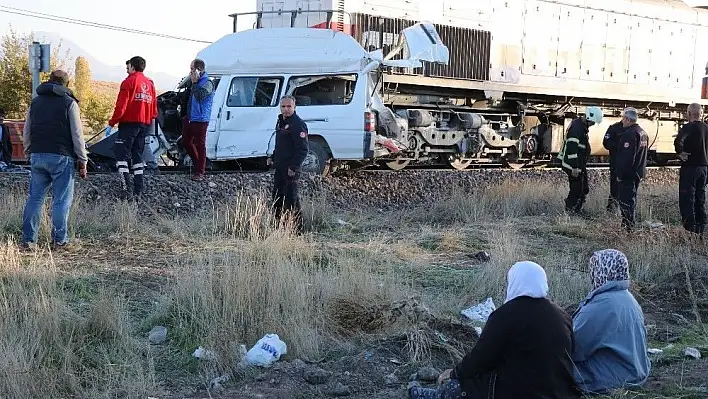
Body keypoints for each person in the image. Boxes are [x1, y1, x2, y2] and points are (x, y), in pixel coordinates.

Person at [408, 261, 581, 399]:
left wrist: (455, 373)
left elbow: (481, 357)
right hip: (562, 392)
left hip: (520, 392)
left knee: (458, 386)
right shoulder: (563, 315)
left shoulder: (505, 315)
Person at [20, 70, 88, 251]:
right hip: (61, 156)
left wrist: (29, 151)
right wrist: (83, 159)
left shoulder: (35, 103)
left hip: (37, 155)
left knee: (34, 199)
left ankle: (28, 240)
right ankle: (59, 240)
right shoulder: (69, 103)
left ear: (49, 81)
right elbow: (77, 134)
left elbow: (27, 131)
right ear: (65, 84)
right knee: (61, 200)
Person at [571, 249, 650, 395]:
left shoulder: (601, 305)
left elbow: (575, 349)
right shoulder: (628, 298)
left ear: (601, 271)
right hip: (635, 371)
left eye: (594, 269)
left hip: (613, 378)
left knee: (557, 369)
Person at [107, 56, 158, 201]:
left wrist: (112, 123)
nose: (126, 68)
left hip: (129, 123)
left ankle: (126, 188)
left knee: (121, 154)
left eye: (128, 66)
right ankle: (138, 189)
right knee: (137, 155)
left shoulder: (128, 82)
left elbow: (121, 106)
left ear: (133, 67)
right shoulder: (150, 84)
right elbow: (154, 110)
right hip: (144, 124)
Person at [266, 96, 309, 233]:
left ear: (294, 107)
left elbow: (303, 149)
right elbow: (280, 145)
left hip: (291, 169)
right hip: (280, 167)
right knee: (277, 198)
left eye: (289, 106)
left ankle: (297, 230)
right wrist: (273, 157)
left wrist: (293, 167)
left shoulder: (297, 124)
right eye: (283, 106)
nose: (286, 109)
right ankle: (279, 227)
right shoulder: (281, 122)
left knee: (292, 200)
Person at [558, 106, 603, 215]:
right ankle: (569, 212)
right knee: (576, 190)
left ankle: (577, 210)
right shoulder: (576, 129)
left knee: (584, 188)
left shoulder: (580, 126)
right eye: (593, 122)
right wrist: (574, 168)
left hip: (579, 164)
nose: (592, 125)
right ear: (588, 118)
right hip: (572, 165)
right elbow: (572, 150)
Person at [674, 103, 708, 238]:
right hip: (705, 168)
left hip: (691, 168)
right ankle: (701, 228)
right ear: (701, 113)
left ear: (689, 113)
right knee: (700, 198)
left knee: (687, 199)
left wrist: (680, 153)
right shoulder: (707, 128)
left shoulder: (688, 127)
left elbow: (678, 141)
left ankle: (689, 230)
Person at [614, 107, 648, 231]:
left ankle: (628, 227)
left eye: (623, 118)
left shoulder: (629, 134)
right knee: (631, 200)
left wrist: (620, 175)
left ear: (628, 119)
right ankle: (628, 226)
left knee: (626, 202)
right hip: (637, 173)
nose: (622, 121)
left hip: (629, 174)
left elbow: (627, 158)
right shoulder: (642, 132)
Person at [181, 58, 215, 181]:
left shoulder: (208, 83)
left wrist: (195, 83)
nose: (190, 72)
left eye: (192, 69)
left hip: (200, 119)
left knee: (200, 145)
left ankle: (200, 171)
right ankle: (197, 163)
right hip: (190, 117)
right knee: (186, 141)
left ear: (198, 70)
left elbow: (200, 96)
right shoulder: (193, 81)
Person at [603, 121, 625, 213]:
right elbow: (606, 143)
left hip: (627, 164)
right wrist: (619, 145)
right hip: (616, 163)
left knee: (626, 187)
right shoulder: (614, 128)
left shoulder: (633, 129)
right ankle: (612, 208)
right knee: (615, 187)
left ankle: (623, 208)